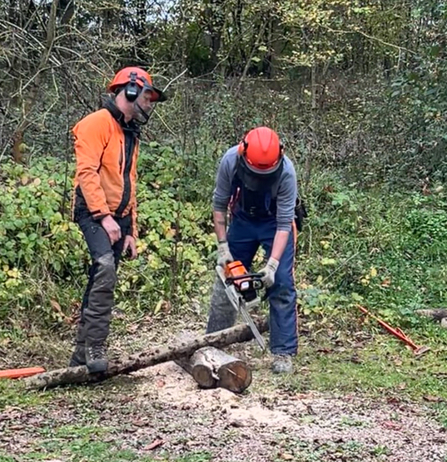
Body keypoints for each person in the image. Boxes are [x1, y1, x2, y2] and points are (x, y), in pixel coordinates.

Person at [68, 66, 167, 373]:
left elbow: (129, 181)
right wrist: (103, 217)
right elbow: (87, 173)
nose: (150, 105)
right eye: (148, 98)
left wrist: (130, 229)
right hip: (94, 211)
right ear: (132, 91)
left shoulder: (130, 132)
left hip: (119, 217)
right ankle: (96, 347)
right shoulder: (95, 124)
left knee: (101, 279)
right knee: (105, 268)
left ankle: (80, 357)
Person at [206, 126, 299, 374]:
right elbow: (219, 204)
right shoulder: (231, 161)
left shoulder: (287, 172)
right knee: (227, 277)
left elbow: (284, 224)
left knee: (281, 282)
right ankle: (214, 340)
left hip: (273, 222)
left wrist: (272, 264)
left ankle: (283, 351)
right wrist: (223, 246)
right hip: (243, 219)